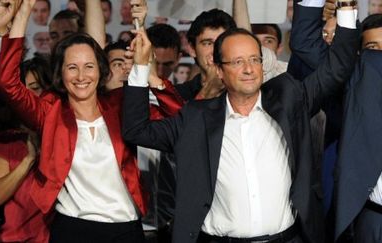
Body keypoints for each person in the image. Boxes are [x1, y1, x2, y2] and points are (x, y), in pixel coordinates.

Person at [122, 4, 359, 243]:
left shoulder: (289, 100)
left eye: (254, 59)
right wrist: (141, 67)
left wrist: (347, 8)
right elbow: (137, 130)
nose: (248, 69)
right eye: (237, 62)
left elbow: (337, 69)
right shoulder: (195, 119)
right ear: (219, 70)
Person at [0, 0, 181, 241]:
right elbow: (6, 83)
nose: (81, 76)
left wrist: (151, 74)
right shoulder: (50, 112)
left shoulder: (120, 105)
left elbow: (178, 119)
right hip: (72, 229)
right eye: (72, 67)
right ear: (60, 72)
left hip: (126, 229)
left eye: (89, 66)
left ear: (101, 70)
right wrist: (23, 12)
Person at [0, 56, 51, 243]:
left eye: (37, 88)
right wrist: (29, 160)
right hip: (14, 239)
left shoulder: (64, 135)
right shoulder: (7, 140)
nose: (30, 97)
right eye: (25, 90)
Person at [334, 13, 382, 243]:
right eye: (373, 49)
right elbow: (306, 47)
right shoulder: (350, 93)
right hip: (372, 222)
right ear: (360, 56)